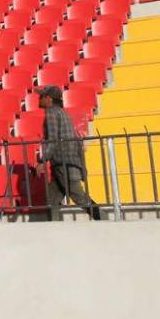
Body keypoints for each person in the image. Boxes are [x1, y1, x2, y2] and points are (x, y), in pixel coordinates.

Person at [37, 85, 102, 221]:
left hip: (64, 163)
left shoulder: (51, 113)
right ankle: (53, 228)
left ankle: (103, 218)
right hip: (65, 163)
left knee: (79, 196)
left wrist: (42, 161)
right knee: (51, 198)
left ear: (48, 99)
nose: (39, 99)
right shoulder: (62, 112)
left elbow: (53, 140)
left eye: (41, 96)